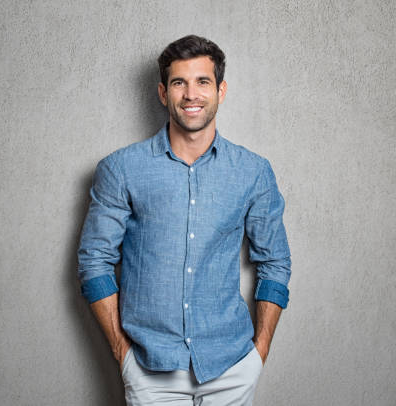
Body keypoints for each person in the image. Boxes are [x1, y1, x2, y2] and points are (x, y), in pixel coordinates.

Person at [77, 35, 291, 406]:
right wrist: (123, 355)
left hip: (231, 368)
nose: (191, 94)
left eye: (202, 82)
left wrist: (259, 353)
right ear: (163, 93)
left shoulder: (253, 172)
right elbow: (94, 261)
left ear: (221, 90)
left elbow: (275, 262)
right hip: (150, 370)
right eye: (180, 83)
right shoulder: (121, 169)